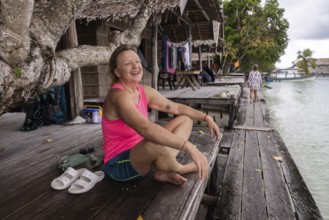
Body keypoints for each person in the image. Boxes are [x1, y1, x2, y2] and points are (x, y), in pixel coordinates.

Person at [102, 45, 220, 185]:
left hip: (142, 149)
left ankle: (163, 169)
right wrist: (189, 147)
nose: (135, 66)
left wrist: (206, 118)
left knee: (184, 120)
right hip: (119, 164)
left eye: (137, 61)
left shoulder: (143, 90)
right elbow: (144, 129)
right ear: (117, 72)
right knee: (153, 141)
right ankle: (180, 168)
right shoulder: (118, 96)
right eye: (128, 63)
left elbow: (176, 107)